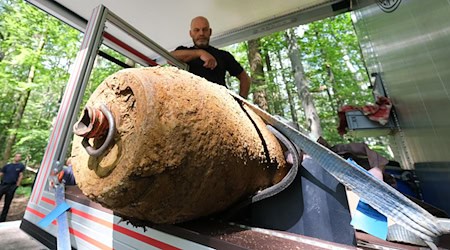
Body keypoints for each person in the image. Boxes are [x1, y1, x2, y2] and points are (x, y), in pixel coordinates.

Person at [171, 16, 251, 99]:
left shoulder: (223, 55)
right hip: (193, 104)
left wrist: (241, 103)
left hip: (221, 103)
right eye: (197, 30)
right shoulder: (183, 51)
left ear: (210, 32)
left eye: (205, 29)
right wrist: (200, 53)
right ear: (191, 33)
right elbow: (170, 58)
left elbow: (244, 78)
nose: (201, 33)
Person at [0, 153, 25, 222]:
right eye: (16, 156)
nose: (17, 158)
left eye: (19, 157)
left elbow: (21, 176)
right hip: (3, 185)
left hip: (12, 186)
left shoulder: (20, 166)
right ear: (14, 157)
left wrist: (17, 185)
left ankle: (2, 219)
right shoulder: (7, 166)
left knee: (7, 203)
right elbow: (1, 173)